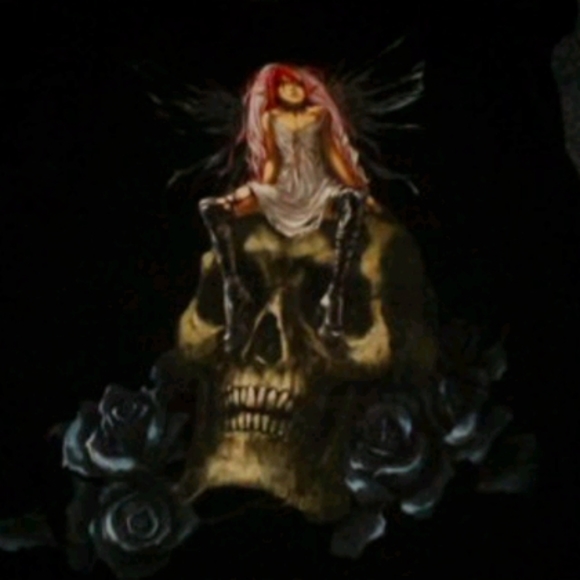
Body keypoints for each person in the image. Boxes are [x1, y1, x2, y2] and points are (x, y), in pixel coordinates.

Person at [198, 63, 383, 354]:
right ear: (276, 92)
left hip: (318, 187)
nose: (293, 89)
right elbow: (272, 163)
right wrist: (252, 191)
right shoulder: (271, 118)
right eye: (285, 85)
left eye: (297, 84)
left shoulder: (319, 115)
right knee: (211, 208)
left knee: (353, 202)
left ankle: (334, 295)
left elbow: (333, 156)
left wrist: (360, 188)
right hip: (283, 188)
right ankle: (233, 290)